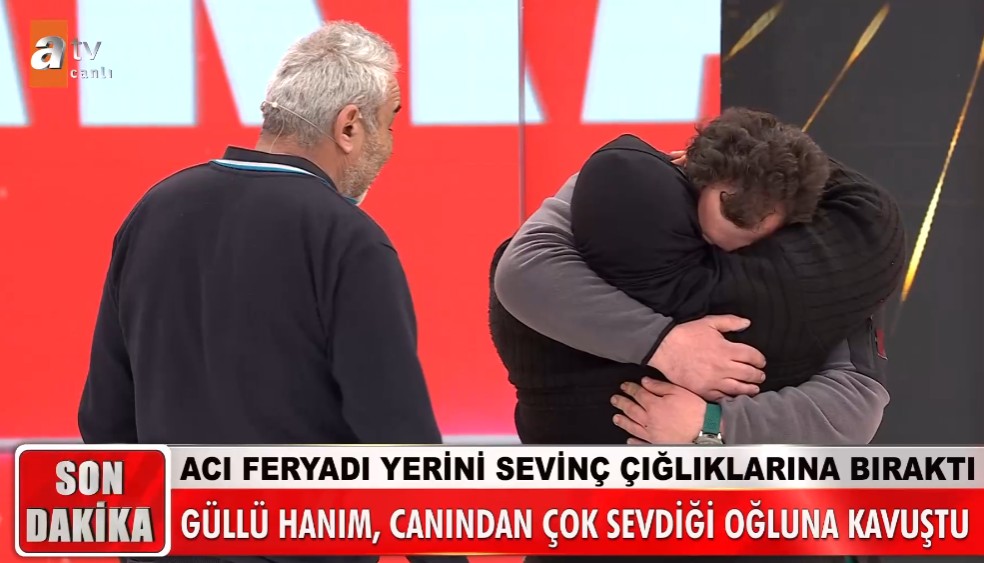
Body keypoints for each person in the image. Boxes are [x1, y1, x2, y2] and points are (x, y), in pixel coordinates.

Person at [78, 22, 464, 563]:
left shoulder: (154, 211)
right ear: (349, 126)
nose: (390, 145)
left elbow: (105, 417)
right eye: (389, 123)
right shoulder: (348, 240)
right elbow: (399, 441)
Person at [489, 108, 905, 447]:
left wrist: (713, 425)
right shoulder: (625, 195)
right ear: (688, 167)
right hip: (580, 495)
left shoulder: (821, 265)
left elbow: (855, 402)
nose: (716, 264)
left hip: (737, 505)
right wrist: (665, 345)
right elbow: (524, 270)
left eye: (746, 250)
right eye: (701, 236)